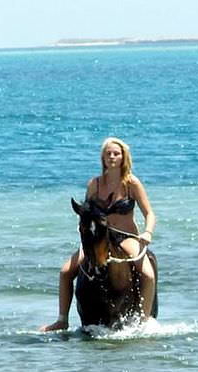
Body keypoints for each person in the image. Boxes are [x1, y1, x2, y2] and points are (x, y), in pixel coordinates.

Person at [40, 137, 157, 331]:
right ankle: (62, 320)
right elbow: (87, 213)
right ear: (102, 158)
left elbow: (149, 213)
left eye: (116, 153)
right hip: (98, 238)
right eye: (108, 154)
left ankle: (144, 321)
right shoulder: (95, 184)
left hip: (126, 237)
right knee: (65, 271)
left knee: (147, 273)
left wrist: (148, 232)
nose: (112, 157)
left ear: (123, 157)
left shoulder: (132, 183)